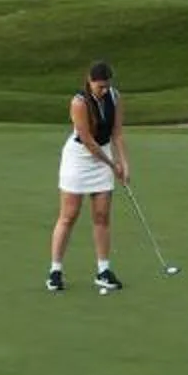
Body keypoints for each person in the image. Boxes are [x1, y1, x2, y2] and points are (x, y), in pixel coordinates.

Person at [48, 59, 131, 293]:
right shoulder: (79, 102)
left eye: (107, 86)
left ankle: (103, 271)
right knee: (69, 215)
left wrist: (124, 164)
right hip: (79, 159)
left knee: (102, 216)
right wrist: (112, 165)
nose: (104, 90)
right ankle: (55, 271)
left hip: (102, 157)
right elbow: (87, 141)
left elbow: (117, 133)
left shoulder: (115, 97)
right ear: (89, 81)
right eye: (100, 86)